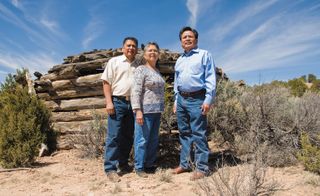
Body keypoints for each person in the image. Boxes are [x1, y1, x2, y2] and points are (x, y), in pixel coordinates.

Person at [172, 26, 216, 180]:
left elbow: (210, 77)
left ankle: (202, 168)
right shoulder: (179, 59)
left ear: (196, 39)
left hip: (198, 98)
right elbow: (177, 81)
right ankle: (185, 164)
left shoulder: (204, 55)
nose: (187, 39)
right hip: (182, 99)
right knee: (184, 134)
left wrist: (208, 99)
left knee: (199, 133)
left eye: (190, 36)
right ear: (181, 41)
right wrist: (176, 100)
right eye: (184, 37)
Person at [101, 37, 139, 182]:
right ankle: (110, 168)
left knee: (128, 135)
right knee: (114, 135)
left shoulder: (139, 64)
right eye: (128, 45)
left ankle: (123, 164)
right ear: (123, 48)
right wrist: (109, 102)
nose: (131, 48)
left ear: (136, 49)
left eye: (133, 46)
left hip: (133, 103)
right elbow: (106, 82)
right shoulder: (114, 62)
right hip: (117, 102)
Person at [131, 42, 165, 178]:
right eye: (149, 50)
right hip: (144, 111)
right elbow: (136, 91)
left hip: (157, 111)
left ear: (158, 54)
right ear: (145, 54)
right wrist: (137, 110)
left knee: (153, 139)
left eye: (155, 50)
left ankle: (150, 164)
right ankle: (139, 167)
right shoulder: (141, 69)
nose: (152, 52)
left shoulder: (157, 71)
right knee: (142, 139)